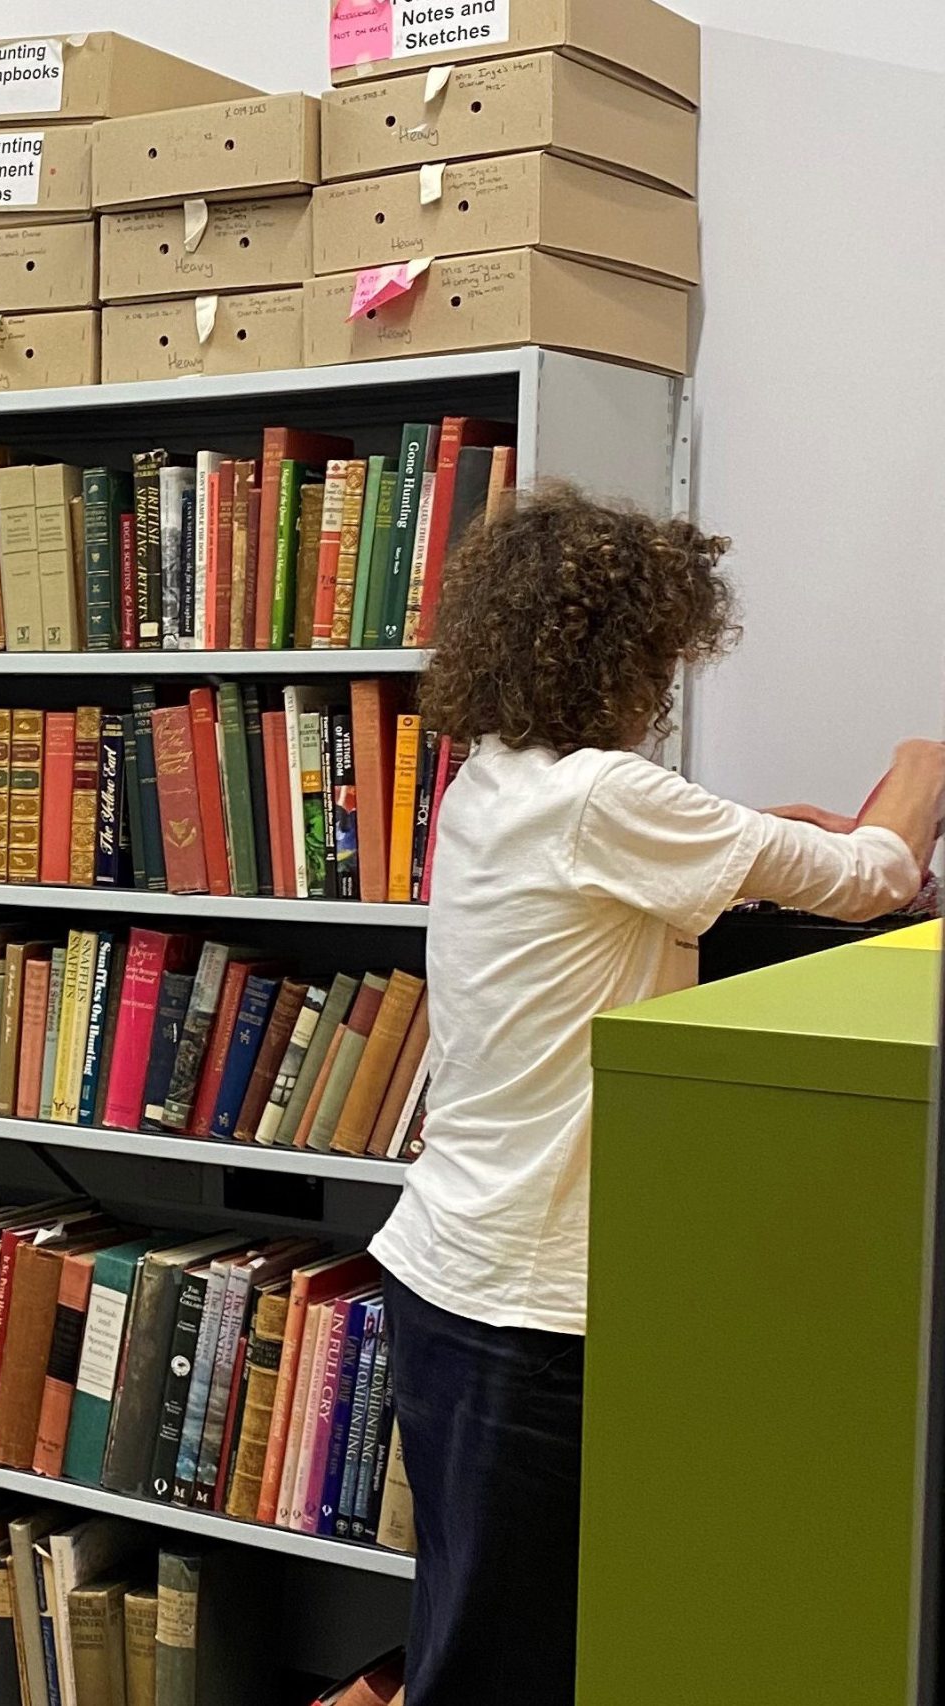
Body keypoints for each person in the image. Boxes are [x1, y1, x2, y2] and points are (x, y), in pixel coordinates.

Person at [367, 483, 945, 1705]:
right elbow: (878, 873)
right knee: (514, 1665)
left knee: (473, 1637)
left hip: (445, 1276)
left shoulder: (495, 777)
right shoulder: (602, 799)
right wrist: (921, 762)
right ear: (623, 651)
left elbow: (629, 882)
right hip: (529, 1310)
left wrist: (741, 834)